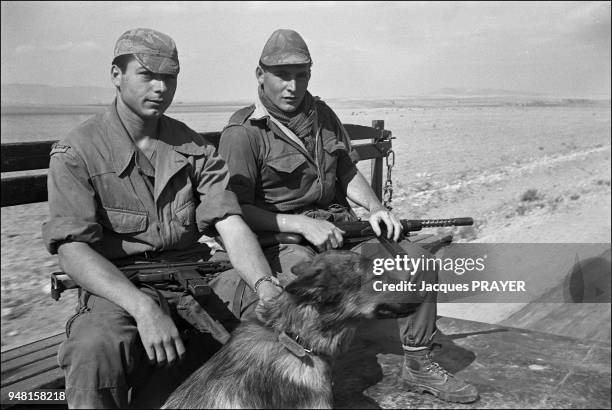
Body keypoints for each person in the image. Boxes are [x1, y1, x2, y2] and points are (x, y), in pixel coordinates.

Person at [218, 28, 479, 404]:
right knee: (306, 287)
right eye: (282, 76)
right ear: (260, 75)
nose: (292, 86)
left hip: (340, 229)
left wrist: (375, 209)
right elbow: (236, 211)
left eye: (301, 75)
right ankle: (304, 384)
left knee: (417, 260)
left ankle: (419, 364)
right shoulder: (243, 133)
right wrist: (302, 224)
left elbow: (346, 171)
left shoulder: (321, 114)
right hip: (285, 240)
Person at [42, 28, 282, 409]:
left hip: (195, 275)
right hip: (119, 285)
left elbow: (230, 224)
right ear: (116, 75)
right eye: (147, 75)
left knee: (274, 313)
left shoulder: (194, 147)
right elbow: (72, 251)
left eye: (169, 77)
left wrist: (265, 284)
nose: (160, 88)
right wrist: (141, 307)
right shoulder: (78, 152)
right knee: (94, 347)